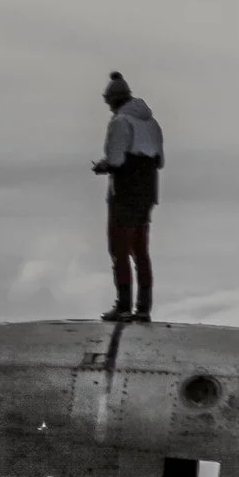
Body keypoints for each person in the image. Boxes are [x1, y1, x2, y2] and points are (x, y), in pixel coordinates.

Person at [94, 70, 164, 323]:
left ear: (114, 99)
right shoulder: (152, 123)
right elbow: (159, 161)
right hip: (147, 193)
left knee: (119, 249)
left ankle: (123, 306)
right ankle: (143, 307)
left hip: (124, 193)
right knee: (141, 250)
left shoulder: (120, 122)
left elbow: (115, 159)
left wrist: (103, 166)